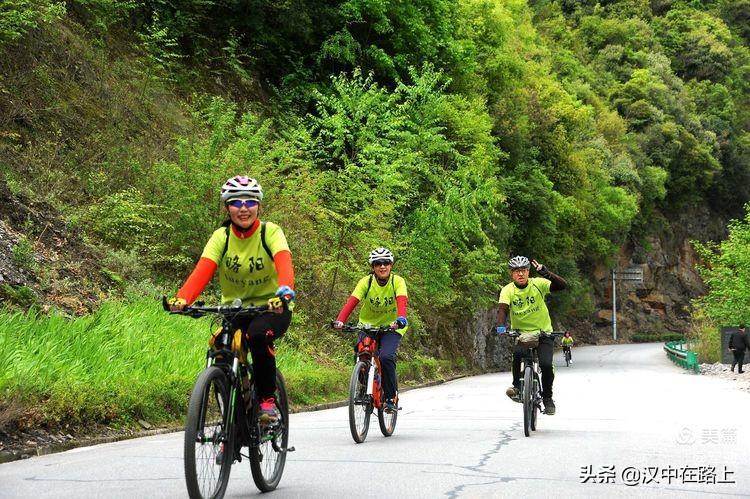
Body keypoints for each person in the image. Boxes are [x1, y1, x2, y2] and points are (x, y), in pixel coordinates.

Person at [169, 175, 295, 422]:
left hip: (271, 307)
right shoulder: (222, 236)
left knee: (257, 335)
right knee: (219, 345)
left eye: (250, 202)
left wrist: (284, 292)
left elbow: (284, 264)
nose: (243, 208)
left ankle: (266, 401)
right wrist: (182, 299)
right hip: (234, 310)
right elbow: (203, 270)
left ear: (258, 205)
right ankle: (231, 415)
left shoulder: (270, 232)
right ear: (227, 207)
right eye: (236, 202)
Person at [332, 247, 408, 413]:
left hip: (391, 326)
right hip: (368, 325)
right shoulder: (366, 282)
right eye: (378, 263)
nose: (382, 266)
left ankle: (390, 397)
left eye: (386, 263)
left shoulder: (397, 282)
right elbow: (352, 302)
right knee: (363, 353)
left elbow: (402, 302)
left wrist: (401, 319)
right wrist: (340, 320)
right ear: (373, 267)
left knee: (386, 357)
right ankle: (363, 387)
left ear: (391, 265)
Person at [495, 255, 567, 415]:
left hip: (543, 333)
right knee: (517, 355)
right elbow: (503, 309)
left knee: (546, 365)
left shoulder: (538, 284)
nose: (520, 274)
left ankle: (548, 398)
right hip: (521, 334)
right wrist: (500, 327)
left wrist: (546, 273)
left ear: (528, 271)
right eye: (516, 271)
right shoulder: (507, 290)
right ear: (512, 274)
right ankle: (517, 386)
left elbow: (562, 286)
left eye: (523, 270)